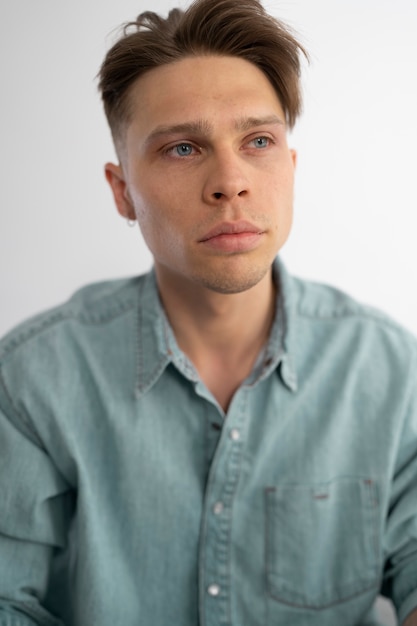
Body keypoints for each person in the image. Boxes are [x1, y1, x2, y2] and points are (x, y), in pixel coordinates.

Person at [0, 0, 416, 623]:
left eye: (258, 141)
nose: (231, 181)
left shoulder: (391, 369)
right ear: (122, 193)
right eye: (183, 149)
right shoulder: (33, 377)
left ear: (290, 169)